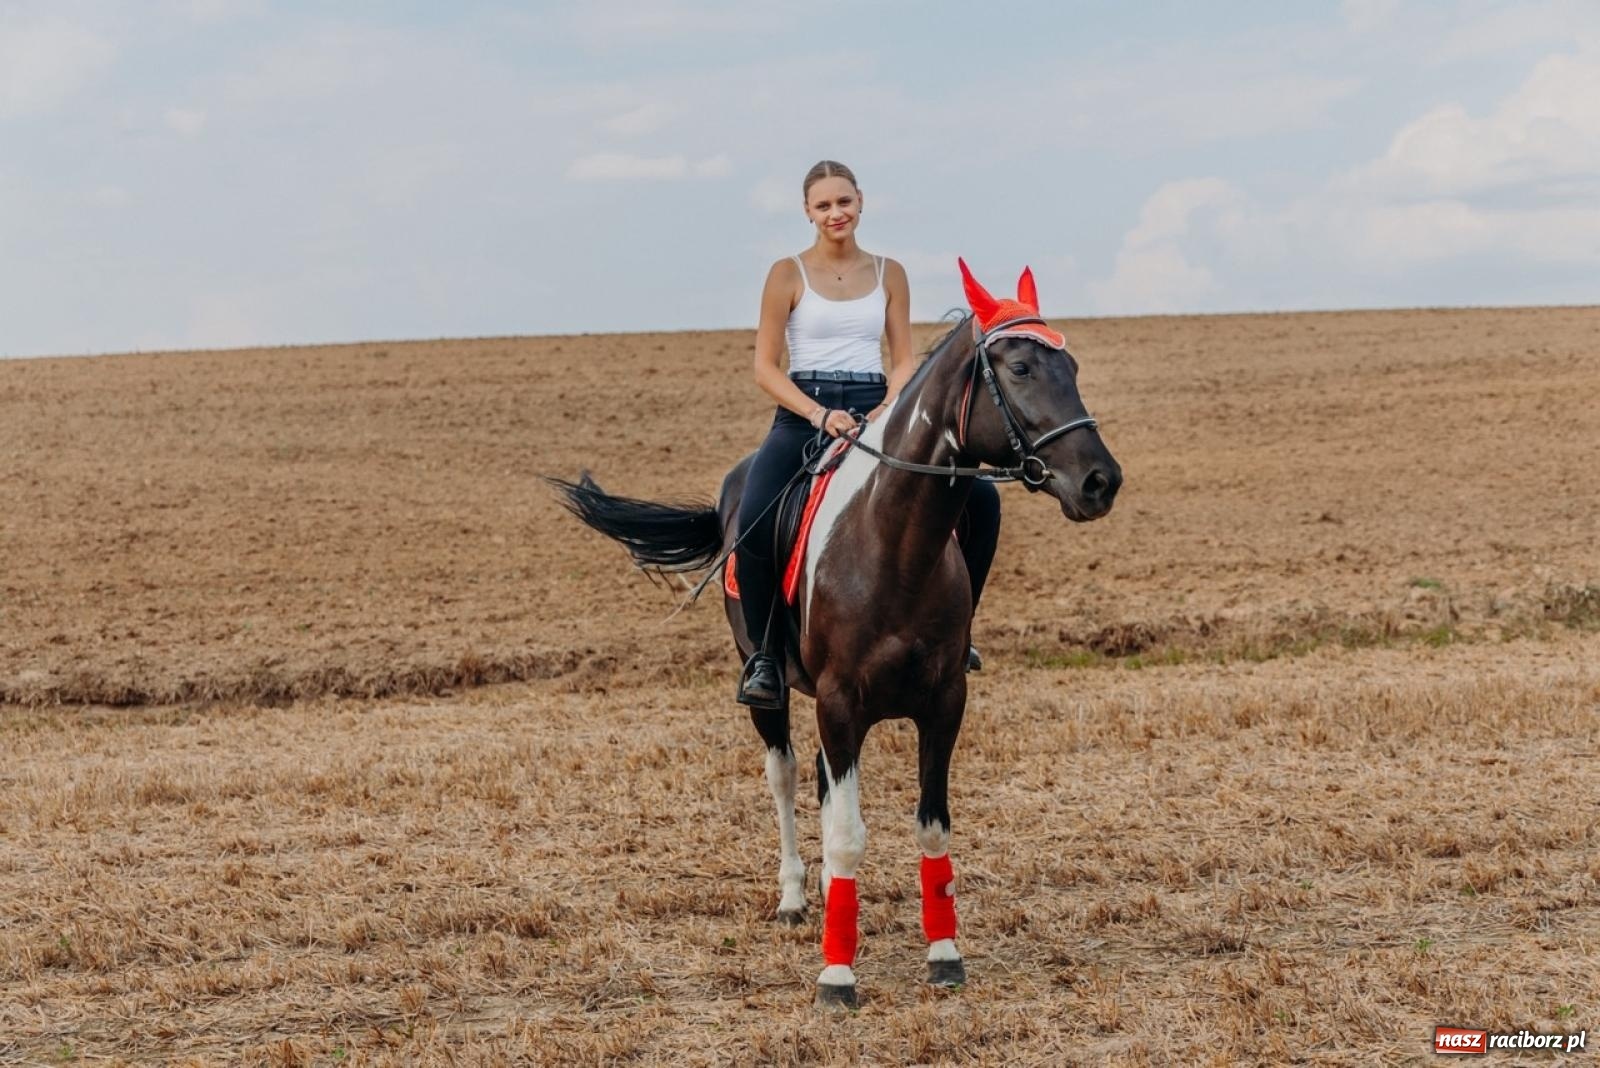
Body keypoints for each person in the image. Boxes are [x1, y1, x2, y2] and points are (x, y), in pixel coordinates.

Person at [734, 159, 1001, 709]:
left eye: (844, 202)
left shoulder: (889, 272)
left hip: (878, 409)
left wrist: (886, 409)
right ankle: (764, 656)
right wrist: (817, 415)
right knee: (754, 518)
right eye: (824, 205)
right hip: (804, 415)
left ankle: (960, 634)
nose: (836, 213)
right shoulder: (787, 273)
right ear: (807, 212)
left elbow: (903, 359)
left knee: (983, 499)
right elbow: (765, 368)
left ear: (861, 202)